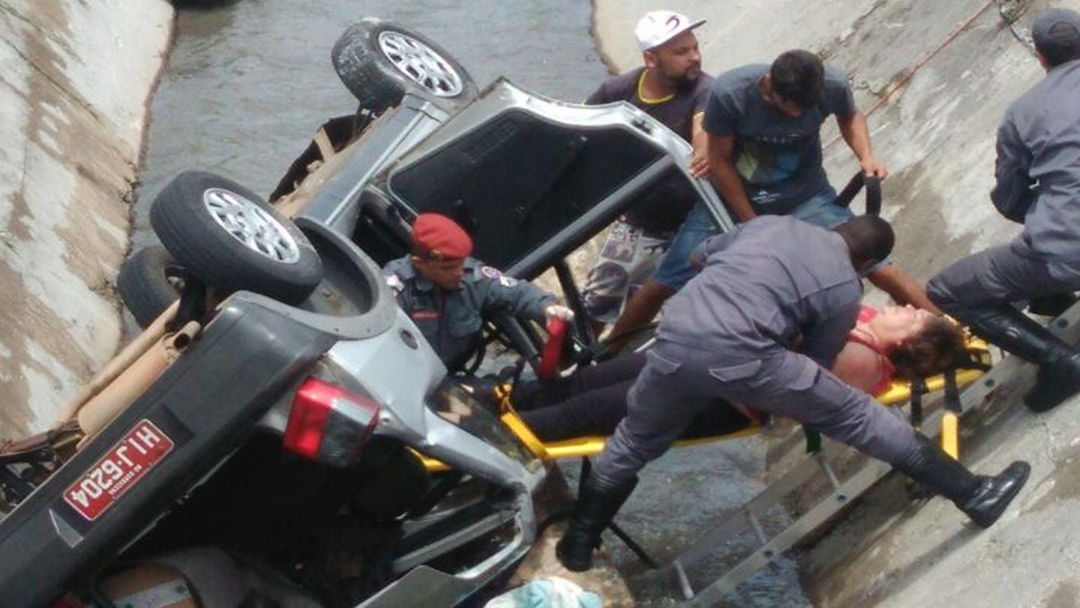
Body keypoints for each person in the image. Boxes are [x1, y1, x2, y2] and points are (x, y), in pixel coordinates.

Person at [555, 215, 1030, 572]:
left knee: (636, 439)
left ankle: (578, 543)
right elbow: (818, 362)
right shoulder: (845, 287)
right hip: (741, 355)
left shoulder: (770, 224)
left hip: (677, 334)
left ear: (838, 228)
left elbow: (701, 256)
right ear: (865, 264)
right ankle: (974, 493)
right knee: (859, 418)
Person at [701, 49, 941, 314]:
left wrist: (866, 157)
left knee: (880, 268)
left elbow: (850, 115)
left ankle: (952, 333)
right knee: (686, 272)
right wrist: (752, 223)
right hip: (737, 201)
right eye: (790, 108)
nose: (796, 116)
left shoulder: (832, 84)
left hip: (807, 195)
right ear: (768, 85)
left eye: (805, 109)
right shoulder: (731, 93)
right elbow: (719, 161)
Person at [515, 303, 971, 442]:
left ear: (906, 343)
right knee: (583, 383)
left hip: (718, 397)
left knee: (584, 411)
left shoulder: (860, 361)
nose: (905, 307)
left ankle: (482, 448)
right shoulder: (865, 323)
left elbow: (779, 371)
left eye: (911, 317)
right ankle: (494, 405)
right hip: (704, 361)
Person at [927, 8, 1080, 413]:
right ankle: (1052, 289)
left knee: (947, 290)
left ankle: (1062, 363)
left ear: (1041, 57)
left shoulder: (1022, 114)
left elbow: (1009, 197)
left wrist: (1053, 214)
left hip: (1069, 247)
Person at [580, 10, 716, 336]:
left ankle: (619, 357)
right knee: (596, 302)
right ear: (651, 59)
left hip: (694, 224)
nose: (695, 57)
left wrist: (703, 150)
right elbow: (579, 133)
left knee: (682, 317)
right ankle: (567, 366)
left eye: (695, 47)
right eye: (681, 52)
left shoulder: (705, 90)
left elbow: (705, 126)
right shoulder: (618, 91)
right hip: (640, 221)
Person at [382, 213, 573, 372]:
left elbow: (517, 292)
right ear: (419, 263)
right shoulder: (395, 289)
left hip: (453, 377)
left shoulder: (472, 277)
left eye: (461, 264)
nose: (458, 273)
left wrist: (546, 307)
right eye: (448, 268)